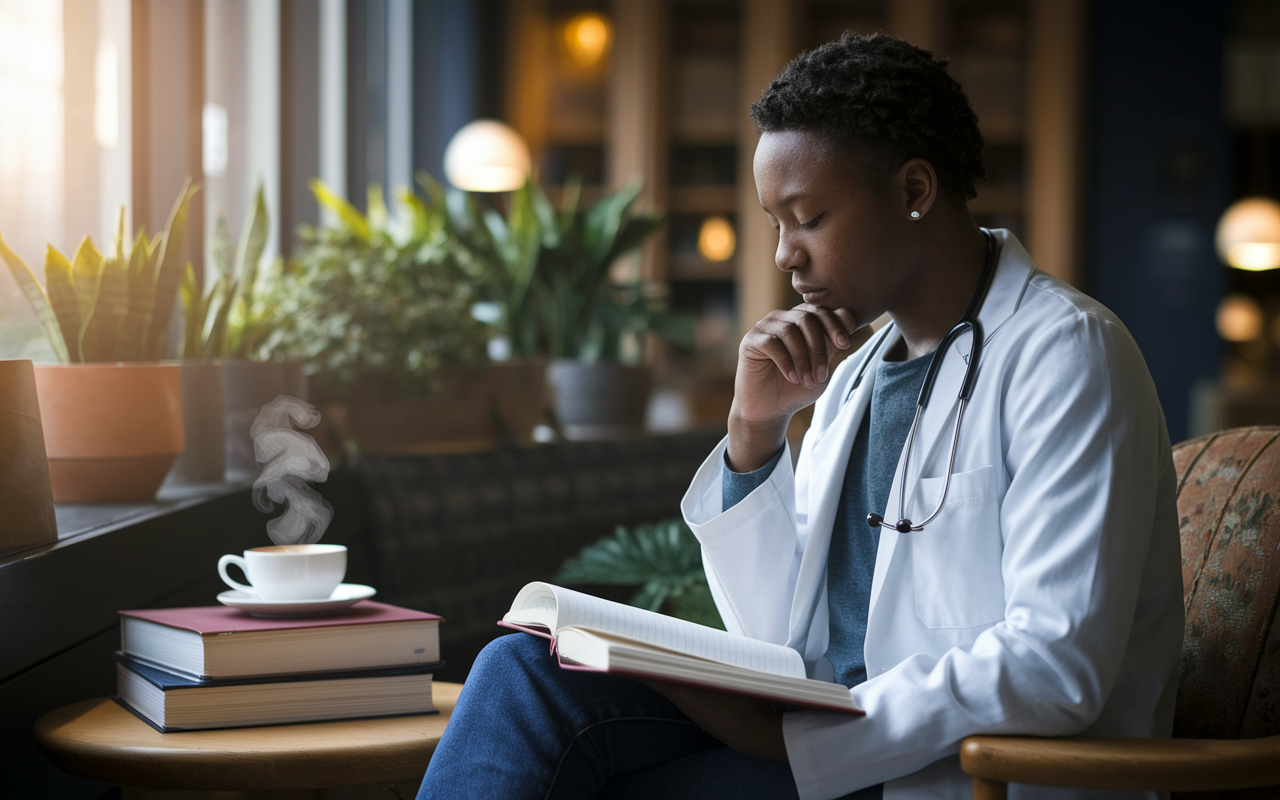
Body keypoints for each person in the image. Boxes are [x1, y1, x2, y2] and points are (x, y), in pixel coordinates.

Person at [418, 32, 1184, 800]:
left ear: (914, 191)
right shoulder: (853, 378)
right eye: (774, 224)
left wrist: (809, 735)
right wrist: (753, 435)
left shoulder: (1068, 354)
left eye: (807, 217)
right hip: (829, 748)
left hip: (948, 775)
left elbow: (1056, 664)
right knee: (522, 670)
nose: (784, 255)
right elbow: (776, 635)